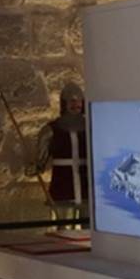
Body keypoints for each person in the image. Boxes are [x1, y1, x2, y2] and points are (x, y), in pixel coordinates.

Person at [32, 80, 90, 226]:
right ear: (64, 103)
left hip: (86, 183)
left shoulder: (91, 127)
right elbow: (41, 160)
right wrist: (36, 167)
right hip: (62, 182)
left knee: (89, 227)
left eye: (78, 101)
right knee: (63, 226)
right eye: (71, 101)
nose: (76, 105)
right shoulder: (51, 130)